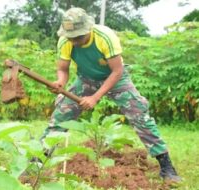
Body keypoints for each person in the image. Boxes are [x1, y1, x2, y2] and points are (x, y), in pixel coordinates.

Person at [42, 7, 181, 183]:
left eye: (78, 36)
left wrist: (95, 97)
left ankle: (166, 165)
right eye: (72, 37)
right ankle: (38, 159)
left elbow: (116, 71)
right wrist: (60, 82)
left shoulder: (105, 37)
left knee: (139, 113)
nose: (75, 41)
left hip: (116, 79)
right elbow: (63, 69)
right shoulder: (65, 41)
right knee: (62, 112)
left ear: (88, 29)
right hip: (86, 79)